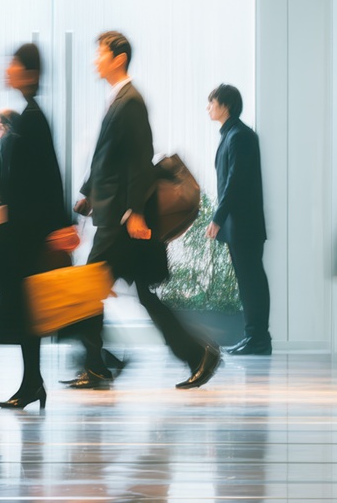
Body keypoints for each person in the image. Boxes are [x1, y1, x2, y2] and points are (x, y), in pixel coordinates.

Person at [69, 31, 221, 390]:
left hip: (122, 222)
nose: (95, 60)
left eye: (100, 53)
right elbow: (110, 159)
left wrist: (134, 211)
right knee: (143, 296)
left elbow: (139, 159)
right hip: (117, 217)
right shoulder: (118, 99)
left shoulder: (131, 101)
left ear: (118, 58)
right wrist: (87, 195)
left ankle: (97, 365)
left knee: (87, 290)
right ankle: (196, 354)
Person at [0, 43, 75, 409]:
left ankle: (35, 382)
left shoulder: (33, 119)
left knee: (31, 312)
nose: (8, 70)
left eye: (14, 65)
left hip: (30, 236)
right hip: (25, 233)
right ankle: (32, 383)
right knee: (27, 314)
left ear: (30, 73)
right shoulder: (28, 116)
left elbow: (49, 177)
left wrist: (60, 226)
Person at [204, 84, 271, 356]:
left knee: (251, 280)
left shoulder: (239, 136)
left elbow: (235, 181)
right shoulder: (232, 134)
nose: (208, 107)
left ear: (225, 105)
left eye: (211, 102)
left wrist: (217, 218)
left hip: (244, 224)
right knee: (248, 281)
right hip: (241, 225)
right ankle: (254, 337)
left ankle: (258, 339)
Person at [0, 109, 18, 197]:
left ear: (5, 125)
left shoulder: (7, 140)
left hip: (7, 192)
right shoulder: (9, 140)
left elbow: (4, 170)